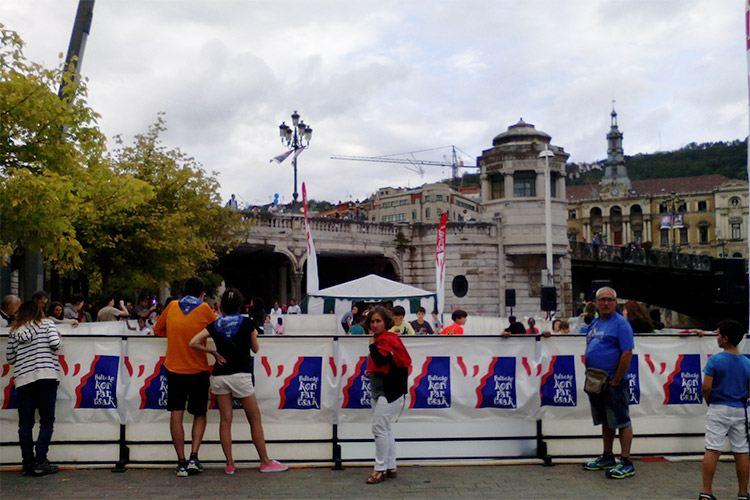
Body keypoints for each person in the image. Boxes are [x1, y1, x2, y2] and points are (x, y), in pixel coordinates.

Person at [189, 288, 287, 475]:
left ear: (222, 306)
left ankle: (230, 464)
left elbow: (193, 341)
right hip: (241, 376)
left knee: (226, 420)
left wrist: (213, 352)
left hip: (220, 376)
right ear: (240, 305)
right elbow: (256, 349)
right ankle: (265, 461)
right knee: (255, 418)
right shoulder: (247, 323)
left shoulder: (216, 324)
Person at [153, 277, 217, 477]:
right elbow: (219, 330)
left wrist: (174, 336)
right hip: (198, 368)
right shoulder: (205, 308)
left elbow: (157, 330)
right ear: (202, 294)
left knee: (176, 413)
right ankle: (194, 457)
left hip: (174, 368)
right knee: (199, 413)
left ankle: (180, 462)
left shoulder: (172, 306)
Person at [582, 286, 635, 479]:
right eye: (602, 299)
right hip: (597, 380)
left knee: (621, 420)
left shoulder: (621, 324)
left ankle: (627, 461)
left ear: (615, 302)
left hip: (613, 381)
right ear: (596, 302)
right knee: (606, 420)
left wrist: (616, 379)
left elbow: (627, 352)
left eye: (610, 300)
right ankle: (607, 455)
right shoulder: (595, 323)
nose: (606, 303)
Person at [6, 301, 62, 476]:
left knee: (25, 424)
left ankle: (28, 464)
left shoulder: (14, 330)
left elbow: (10, 358)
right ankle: (41, 460)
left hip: (23, 380)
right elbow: (55, 343)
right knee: (46, 421)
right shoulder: (47, 324)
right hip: (46, 377)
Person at [699, 319, 750, 500]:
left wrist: (709, 401)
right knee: (742, 450)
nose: (717, 337)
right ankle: (743, 493)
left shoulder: (715, 361)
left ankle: (707, 491)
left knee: (712, 449)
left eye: (718, 334)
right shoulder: (746, 363)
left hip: (718, 407)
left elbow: (706, 387)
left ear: (725, 339)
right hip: (740, 408)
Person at [365, 306, 411, 484]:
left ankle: (380, 468)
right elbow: (384, 363)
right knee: (385, 428)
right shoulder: (384, 339)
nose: (375, 324)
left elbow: (380, 359)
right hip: (383, 388)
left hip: (389, 389)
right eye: (372, 321)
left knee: (379, 428)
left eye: (378, 321)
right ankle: (390, 465)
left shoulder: (385, 340)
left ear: (386, 322)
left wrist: (371, 345)